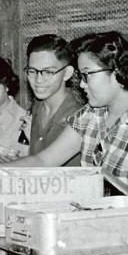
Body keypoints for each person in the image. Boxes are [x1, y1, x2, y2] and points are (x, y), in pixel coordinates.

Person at [5, 31, 128, 199]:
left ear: (116, 73)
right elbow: (44, 161)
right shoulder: (89, 116)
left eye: (87, 75)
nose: (82, 84)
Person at [22, 34, 83, 165]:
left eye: (48, 72)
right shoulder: (37, 106)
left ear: (66, 73)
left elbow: (42, 163)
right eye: (32, 71)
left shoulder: (78, 116)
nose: (38, 80)